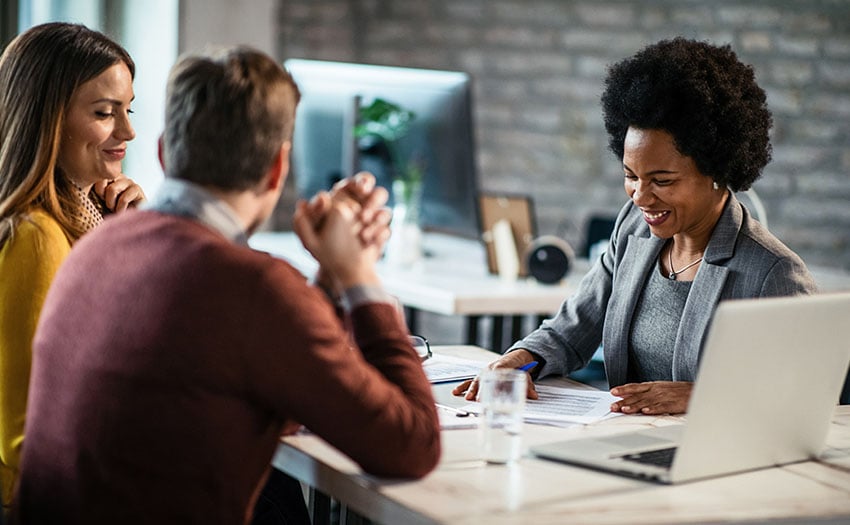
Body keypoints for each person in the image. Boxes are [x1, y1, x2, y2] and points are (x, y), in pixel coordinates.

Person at [12, 46, 440, 524]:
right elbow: (413, 446)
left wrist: (330, 278)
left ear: (162, 150)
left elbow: (268, 364)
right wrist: (361, 274)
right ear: (278, 167)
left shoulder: (95, 244)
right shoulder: (255, 288)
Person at [454, 37, 816, 415]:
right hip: (626, 444)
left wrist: (703, 396)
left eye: (662, 181)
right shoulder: (634, 229)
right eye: (631, 175)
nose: (640, 197)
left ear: (716, 171)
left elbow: (806, 396)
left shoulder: (774, 273)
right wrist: (520, 358)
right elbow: (573, 326)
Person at [0, 22, 146, 508]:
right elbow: (24, 434)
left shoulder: (84, 220)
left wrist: (123, 236)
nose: (127, 131)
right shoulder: (37, 237)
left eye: (128, 110)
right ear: (47, 120)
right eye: (105, 113)